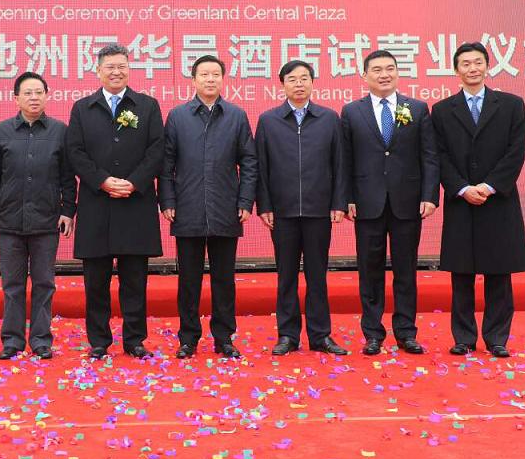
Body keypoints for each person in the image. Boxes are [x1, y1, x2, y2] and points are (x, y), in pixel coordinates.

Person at [431, 42, 525, 358]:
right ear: (455, 70)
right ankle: (464, 337)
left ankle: (497, 337)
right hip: (461, 201)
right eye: (465, 64)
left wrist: (488, 186)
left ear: (488, 66)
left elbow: (516, 152)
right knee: (461, 274)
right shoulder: (442, 110)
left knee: (499, 272)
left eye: (477, 62)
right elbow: (439, 155)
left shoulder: (512, 105)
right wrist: (462, 188)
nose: (472, 68)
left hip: (498, 200)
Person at [67, 44, 164, 359]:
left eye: (122, 66)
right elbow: (75, 152)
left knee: (135, 280)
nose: (116, 72)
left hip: (135, 204)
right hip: (97, 204)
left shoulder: (147, 106)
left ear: (129, 69)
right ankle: (99, 340)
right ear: (98, 70)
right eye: (110, 66)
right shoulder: (83, 108)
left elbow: (157, 151)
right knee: (95, 281)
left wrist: (134, 182)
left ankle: (134, 339)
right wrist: (102, 181)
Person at [341, 50, 439, 355]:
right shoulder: (352, 112)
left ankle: (406, 332)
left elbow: (429, 156)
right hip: (367, 203)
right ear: (365, 76)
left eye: (390, 69)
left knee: (405, 270)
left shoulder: (417, 108)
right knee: (369, 271)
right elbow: (345, 160)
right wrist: (347, 198)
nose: (384, 74)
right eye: (377, 70)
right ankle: (373, 333)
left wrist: (429, 195)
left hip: (407, 202)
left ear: (397, 72)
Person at [159, 55, 257, 359]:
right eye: (204, 74)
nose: (210, 79)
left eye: (216, 74)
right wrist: (167, 200)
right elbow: (166, 163)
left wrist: (245, 201)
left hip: (226, 208)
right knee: (188, 280)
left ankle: (224, 337)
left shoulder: (236, 116)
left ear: (223, 79)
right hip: (186, 208)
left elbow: (249, 161)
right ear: (193, 80)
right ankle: (188, 338)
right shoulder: (178, 116)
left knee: (223, 280)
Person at [256, 60, 348, 356]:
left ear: (312, 82)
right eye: (292, 79)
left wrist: (338, 202)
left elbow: (340, 163)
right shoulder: (269, 120)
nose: (299, 84)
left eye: (304, 78)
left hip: (318, 210)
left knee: (317, 275)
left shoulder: (329, 118)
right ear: (282, 84)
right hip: (282, 211)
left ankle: (321, 335)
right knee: (286, 276)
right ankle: (287, 335)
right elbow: (261, 166)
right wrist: (264, 204)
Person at [0, 72, 76, 360]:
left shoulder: (60, 131)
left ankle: (40, 339)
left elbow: (68, 178)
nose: (34, 98)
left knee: (44, 283)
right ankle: (12, 340)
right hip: (9, 221)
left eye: (39, 92)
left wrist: (68, 211)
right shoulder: (1, 131)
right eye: (27, 93)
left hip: (46, 220)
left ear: (47, 96)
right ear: (16, 98)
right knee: (12, 286)